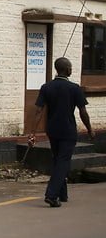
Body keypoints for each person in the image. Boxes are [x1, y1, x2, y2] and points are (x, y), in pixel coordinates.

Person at [30, 57, 95, 208]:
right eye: (71, 68)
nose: (71, 70)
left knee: (58, 159)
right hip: (68, 130)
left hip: (52, 130)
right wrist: (90, 129)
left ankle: (62, 194)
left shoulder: (46, 87)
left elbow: (38, 111)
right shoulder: (74, 88)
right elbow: (83, 112)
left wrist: (33, 132)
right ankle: (51, 195)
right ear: (66, 70)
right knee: (63, 162)